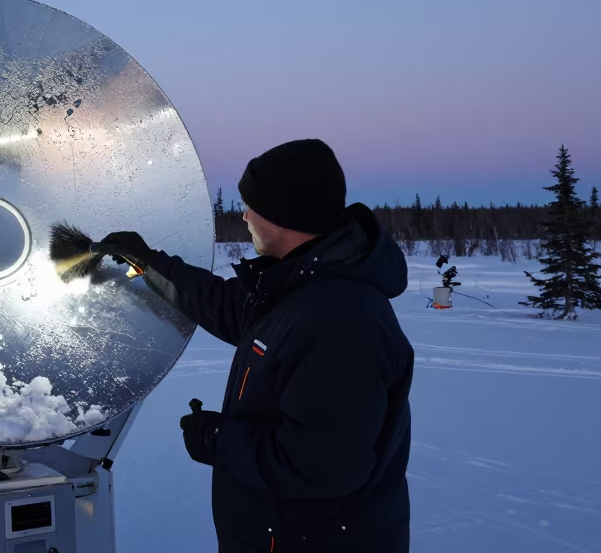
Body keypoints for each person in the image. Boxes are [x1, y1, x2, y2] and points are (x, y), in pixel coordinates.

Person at [96, 139, 413, 552]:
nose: (244, 216)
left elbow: (320, 467)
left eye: (253, 207)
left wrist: (217, 438)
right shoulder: (299, 288)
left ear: (284, 216)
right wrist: (147, 261)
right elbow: (228, 307)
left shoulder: (341, 320)